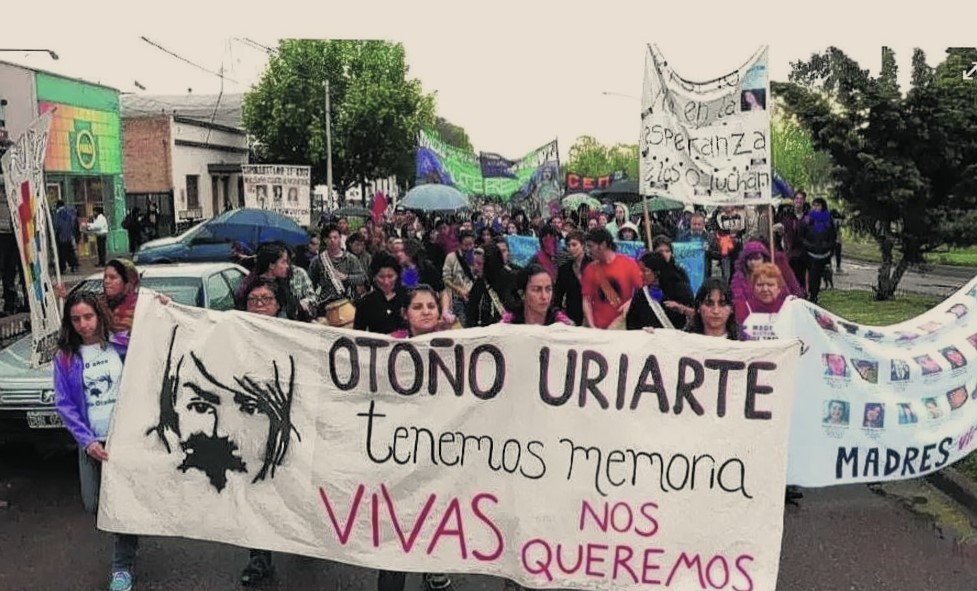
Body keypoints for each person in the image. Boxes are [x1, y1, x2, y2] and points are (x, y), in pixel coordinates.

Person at [53, 290, 138, 591]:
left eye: (88, 316)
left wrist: (162, 307)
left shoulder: (122, 345)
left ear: (99, 315)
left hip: (124, 439)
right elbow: (64, 404)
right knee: (93, 504)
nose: (83, 324)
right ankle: (130, 536)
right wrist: (87, 441)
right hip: (92, 442)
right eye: (76, 319)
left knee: (119, 507)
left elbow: (158, 344)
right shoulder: (65, 357)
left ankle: (121, 567)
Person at [380, 285, 455, 591]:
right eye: (418, 307)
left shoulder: (455, 344)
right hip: (399, 448)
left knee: (435, 511)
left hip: (439, 447)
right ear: (405, 314)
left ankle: (433, 567)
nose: (425, 311)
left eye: (431, 306)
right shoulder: (389, 345)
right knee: (395, 521)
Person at [580, 228, 642, 330]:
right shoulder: (590, 269)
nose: (589, 251)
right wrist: (592, 327)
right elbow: (586, 301)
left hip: (622, 327)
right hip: (598, 328)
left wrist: (631, 302)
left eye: (591, 246)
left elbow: (642, 293)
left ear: (603, 245)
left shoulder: (629, 264)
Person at [627, 251, 693, 330]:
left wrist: (681, 308)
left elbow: (697, 317)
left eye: (645, 271)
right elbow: (631, 322)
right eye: (640, 270)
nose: (640, 274)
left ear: (657, 272)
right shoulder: (641, 295)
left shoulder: (680, 290)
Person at [501, 263, 573, 326]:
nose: (544, 296)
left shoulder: (563, 325)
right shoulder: (507, 325)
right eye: (536, 290)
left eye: (548, 289)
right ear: (522, 293)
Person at [354, 252, 408, 334]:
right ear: (374, 277)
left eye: (390, 276)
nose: (386, 282)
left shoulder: (408, 298)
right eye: (381, 277)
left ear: (397, 276)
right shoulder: (365, 302)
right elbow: (357, 334)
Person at [798, 197, 837, 304]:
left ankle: (815, 295)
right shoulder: (808, 219)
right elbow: (801, 235)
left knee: (818, 275)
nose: (816, 208)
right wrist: (808, 245)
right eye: (814, 205)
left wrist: (827, 247)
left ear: (822, 206)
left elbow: (833, 236)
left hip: (823, 254)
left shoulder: (828, 219)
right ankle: (811, 294)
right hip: (810, 253)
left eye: (818, 205)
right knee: (811, 275)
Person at [554, 230, 591, 326]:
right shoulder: (564, 269)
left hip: (594, 318)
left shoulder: (594, 265)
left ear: (583, 245)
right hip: (572, 320)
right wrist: (562, 317)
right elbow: (557, 298)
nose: (571, 248)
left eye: (574, 245)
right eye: (568, 245)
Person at [53, 199, 80, 273]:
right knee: (70, 251)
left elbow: (56, 225)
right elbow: (73, 223)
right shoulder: (69, 212)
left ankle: (62, 268)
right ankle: (74, 265)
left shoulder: (58, 214)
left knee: (62, 253)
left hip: (61, 237)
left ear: (58, 205)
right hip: (69, 235)